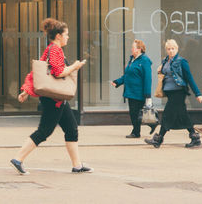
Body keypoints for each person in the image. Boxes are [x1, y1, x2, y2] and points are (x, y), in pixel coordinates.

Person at [10, 18, 91, 175]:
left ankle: (77, 165)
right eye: (66, 34)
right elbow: (58, 73)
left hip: (58, 99)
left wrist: (26, 90)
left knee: (71, 128)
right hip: (53, 100)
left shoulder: (51, 49)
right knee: (44, 131)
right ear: (58, 36)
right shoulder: (55, 50)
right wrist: (75, 66)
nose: (68, 37)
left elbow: (38, 73)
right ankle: (18, 159)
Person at [144, 39, 202, 148]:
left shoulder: (181, 61)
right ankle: (195, 138)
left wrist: (197, 93)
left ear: (177, 49)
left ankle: (158, 139)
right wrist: (159, 71)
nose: (171, 51)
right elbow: (165, 75)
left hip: (179, 92)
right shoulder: (165, 61)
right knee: (183, 116)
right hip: (170, 92)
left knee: (167, 114)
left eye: (173, 48)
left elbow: (189, 78)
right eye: (169, 49)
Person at [111, 39, 153, 139]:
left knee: (136, 113)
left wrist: (147, 94)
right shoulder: (132, 59)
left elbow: (148, 78)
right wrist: (118, 82)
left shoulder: (145, 60)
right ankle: (148, 125)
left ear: (139, 49)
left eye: (133, 47)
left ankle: (136, 132)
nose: (131, 49)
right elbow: (127, 75)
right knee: (134, 113)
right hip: (130, 91)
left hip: (138, 92)